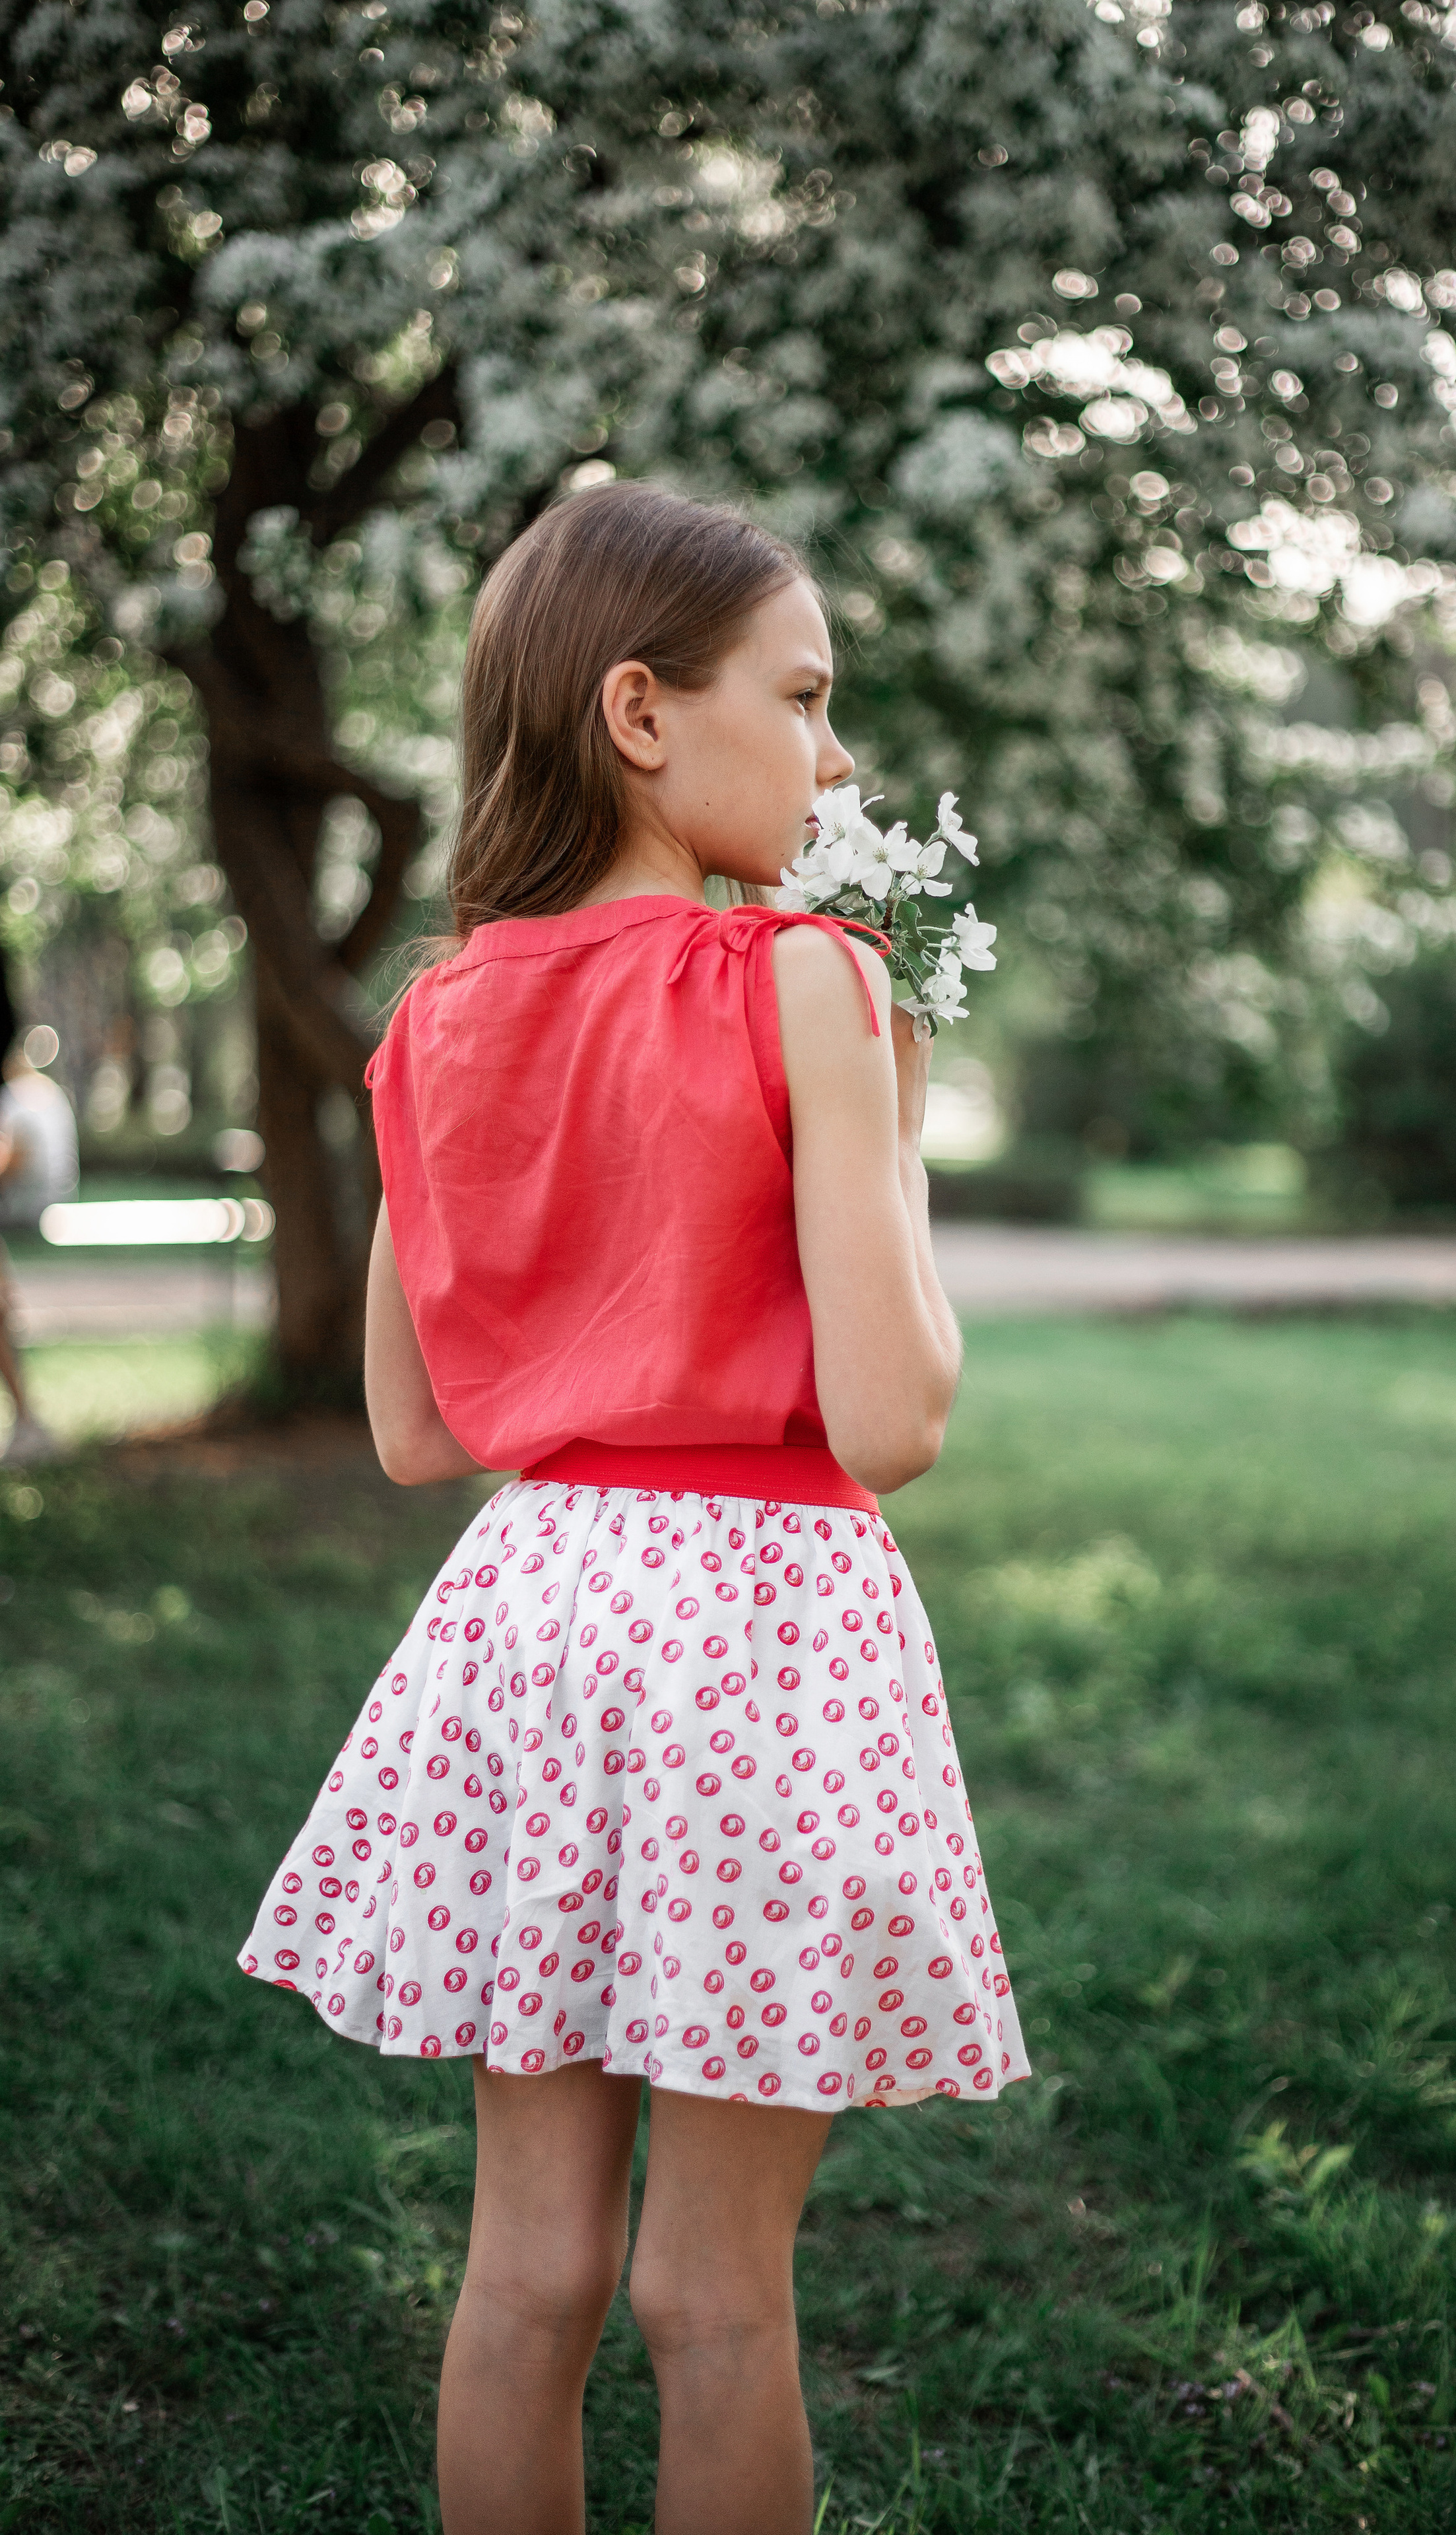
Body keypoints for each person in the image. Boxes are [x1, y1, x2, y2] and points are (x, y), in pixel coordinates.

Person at [237, 483, 1029, 2535]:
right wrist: (898, 1135)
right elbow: (894, 1410)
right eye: (806, 692)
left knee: (529, 2264)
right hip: (760, 1624)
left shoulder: (432, 1012)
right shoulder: (811, 982)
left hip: (535, 1610)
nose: (838, 755)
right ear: (642, 714)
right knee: (718, 2292)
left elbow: (415, 1431)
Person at [0, 957, 76, 1468]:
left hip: (31, 1206)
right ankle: (27, 1420)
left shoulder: (22, 1100)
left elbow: (14, 1163)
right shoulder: (42, 1092)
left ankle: (27, 1422)